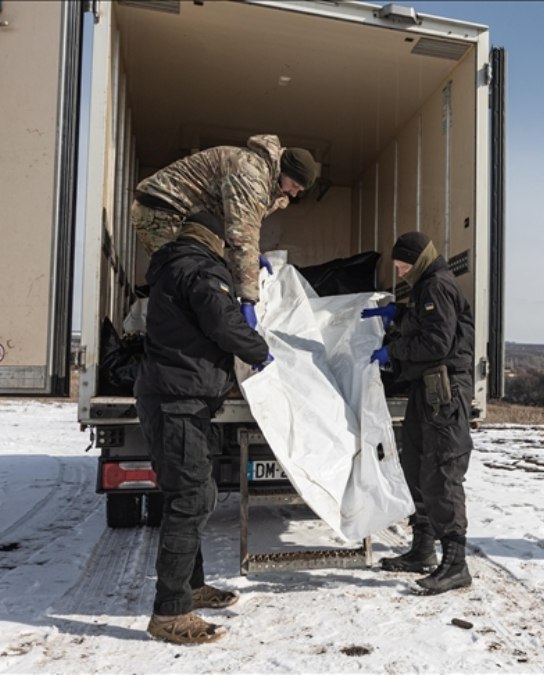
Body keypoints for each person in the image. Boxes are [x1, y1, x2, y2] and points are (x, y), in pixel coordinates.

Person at [135, 210, 273, 644]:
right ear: (216, 241)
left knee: (194, 494)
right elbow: (222, 323)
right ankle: (170, 613)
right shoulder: (198, 268)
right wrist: (259, 349)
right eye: (229, 245)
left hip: (177, 395)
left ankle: (191, 587)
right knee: (191, 498)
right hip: (179, 400)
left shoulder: (174, 264)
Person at [361, 231, 475, 595]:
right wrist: (401, 313)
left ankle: (455, 564)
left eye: (402, 265)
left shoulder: (438, 285)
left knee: (442, 471)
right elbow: (429, 325)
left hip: (446, 392)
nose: (399, 273)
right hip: (427, 390)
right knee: (416, 466)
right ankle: (422, 549)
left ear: (419, 259)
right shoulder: (427, 287)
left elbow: (437, 342)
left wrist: (392, 351)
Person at [131, 134, 320, 327]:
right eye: (295, 185)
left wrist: (253, 256)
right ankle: (159, 342)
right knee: (183, 281)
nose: (294, 193)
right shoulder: (251, 175)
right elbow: (243, 237)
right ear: (285, 171)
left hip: (183, 214)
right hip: (162, 210)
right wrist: (248, 299)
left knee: (196, 281)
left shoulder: (263, 174)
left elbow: (232, 224)